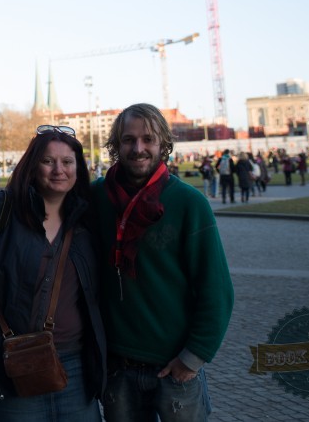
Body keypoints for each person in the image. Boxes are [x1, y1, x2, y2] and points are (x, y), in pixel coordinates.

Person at [0, 125, 106, 421]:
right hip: (14, 363)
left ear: (78, 169)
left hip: (77, 365)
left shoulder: (90, 216)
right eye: (48, 161)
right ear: (33, 165)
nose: (59, 170)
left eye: (67, 162)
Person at [92, 103, 233, 422]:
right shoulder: (97, 197)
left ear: (163, 144)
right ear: (117, 145)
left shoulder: (188, 202)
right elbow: (49, 195)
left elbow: (217, 289)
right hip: (118, 367)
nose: (138, 148)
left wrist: (193, 358)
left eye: (148, 139)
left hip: (174, 367)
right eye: (128, 140)